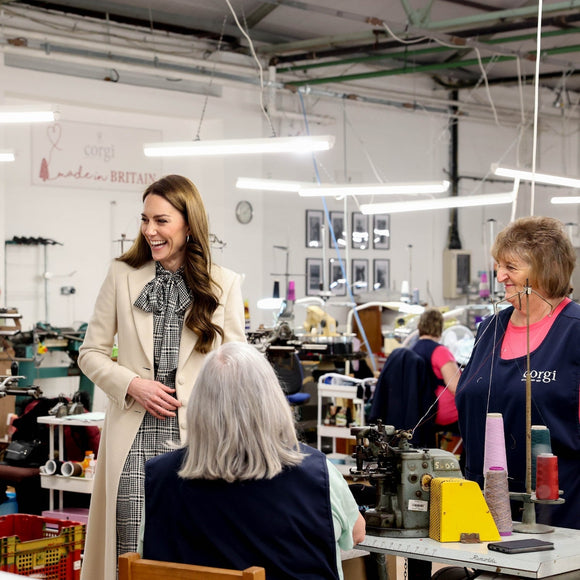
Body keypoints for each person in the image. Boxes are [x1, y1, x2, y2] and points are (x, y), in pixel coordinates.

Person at [78, 174, 246, 580]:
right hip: (133, 439)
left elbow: (237, 367)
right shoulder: (122, 275)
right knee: (129, 548)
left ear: (189, 224)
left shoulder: (224, 283)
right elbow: (90, 353)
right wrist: (131, 384)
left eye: (162, 220)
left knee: (189, 551)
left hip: (199, 442)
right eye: (145, 219)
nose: (149, 230)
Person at [143, 342, 366, 580]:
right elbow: (356, 533)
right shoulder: (317, 472)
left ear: (198, 403)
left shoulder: (159, 476)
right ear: (272, 400)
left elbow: (147, 557)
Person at [456, 215, 579, 529]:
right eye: (498, 265)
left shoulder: (574, 333)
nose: (500, 276)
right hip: (481, 511)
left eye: (510, 267)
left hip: (559, 517)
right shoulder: (490, 329)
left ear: (545, 268)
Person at [412, 308, 461, 436]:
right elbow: (457, 387)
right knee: (481, 417)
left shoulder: (412, 349)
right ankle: (468, 456)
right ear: (440, 327)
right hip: (442, 412)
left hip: (420, 412)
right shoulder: (440, 351)